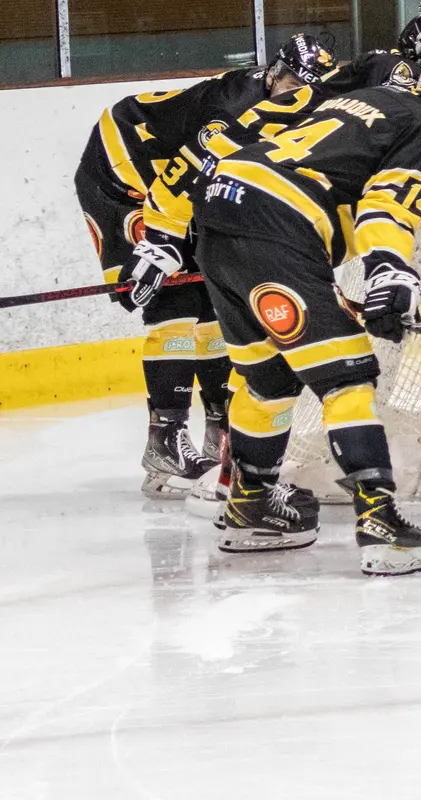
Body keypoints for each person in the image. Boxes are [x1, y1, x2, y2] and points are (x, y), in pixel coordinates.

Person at [195, 70, 421, 576]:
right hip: (278, 223)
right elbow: (387, 204)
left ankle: (251, 504)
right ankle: (380, 521)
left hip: (221, 207)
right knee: (347, 376)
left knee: (269, 375)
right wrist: (390, 272)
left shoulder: (372, 98)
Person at [75, 33, 339, 497]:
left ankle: (221, 432)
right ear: (275, 72)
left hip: (186, 185)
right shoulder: (232, 112)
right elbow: (173, 185)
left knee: (216, 302)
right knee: (171, 297)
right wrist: (161, 245)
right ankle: (164, 442)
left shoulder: (297, 110)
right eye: (293, 80)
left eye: (308, 86)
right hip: (125, 175)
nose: (300, 92)